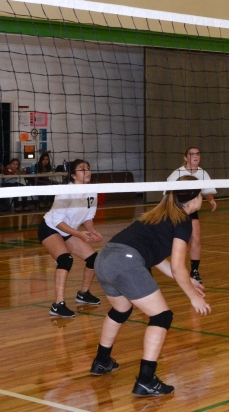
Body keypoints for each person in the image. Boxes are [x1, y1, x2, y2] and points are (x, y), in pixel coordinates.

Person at [89, 175, 211, 397]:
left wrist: (188, 281)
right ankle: (146, 380)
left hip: (104, 259)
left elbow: (154, 256)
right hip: (125, 262)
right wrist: (194, 297)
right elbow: (178, 267)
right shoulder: (183, 221)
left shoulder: (157, 214)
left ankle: (102, 361)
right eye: (201, 194)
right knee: (162, 316)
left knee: (121, 310)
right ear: (194, 199)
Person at [39, 159, 102, 318]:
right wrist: (79, 234)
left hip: (68, 231)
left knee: (94, 259)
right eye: (82, 169)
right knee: (65, 260)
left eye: (88, 168)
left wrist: (92, 231)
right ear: (73, 175)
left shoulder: (92, 191)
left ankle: (83, 294)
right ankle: (58, 305)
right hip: (50, 228)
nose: (87, 171)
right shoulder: (66, 192)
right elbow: (57, 221)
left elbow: (88, 217)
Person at [166, 147, 217, 284]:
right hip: (176, 209)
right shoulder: (177, 174)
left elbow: (206, 190)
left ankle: (194, 271)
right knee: (173, 240)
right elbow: (166, 193)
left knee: (196, 238)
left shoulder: (202, 173)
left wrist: (211, 200)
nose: (195, 156)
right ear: (185, 158)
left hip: (191, 209)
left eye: (197, 154)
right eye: (192, 154)